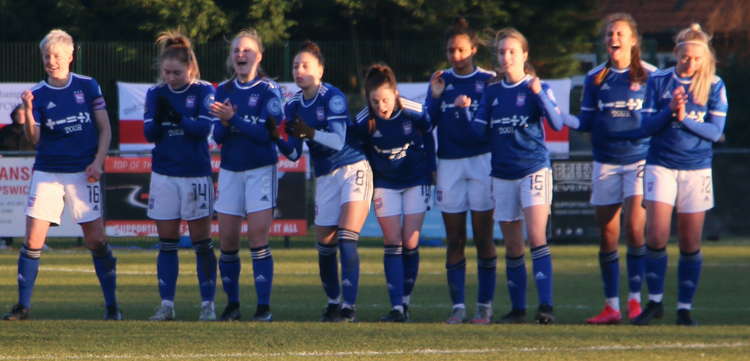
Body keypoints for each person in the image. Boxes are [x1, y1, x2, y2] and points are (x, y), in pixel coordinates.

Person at [609, 24, 727, 326]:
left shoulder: (714, 85)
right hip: (661, 164)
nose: (689, 63)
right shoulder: (660, 80)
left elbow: (715, 133)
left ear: (704, 60)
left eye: (695, 59)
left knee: (690, 242)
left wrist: (684, 116)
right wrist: (669, 110)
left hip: (696, 168)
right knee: (656, 235)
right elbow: (645, 127)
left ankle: (684, 308)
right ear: (675, 53)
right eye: (684, 56)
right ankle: (656, 302)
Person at [3, 29, 120, 321]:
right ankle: (23, 306)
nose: (51, 60)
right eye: (46, 56)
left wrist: (99, 161)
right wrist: (29, 110)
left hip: (83, 173)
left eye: (56, 55)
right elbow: (35, 140)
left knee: (96, 241)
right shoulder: (39, 94)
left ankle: (112, 306)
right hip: (47, 172)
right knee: (32, 241)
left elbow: (105, 128)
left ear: (70, 56)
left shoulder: (88, 86)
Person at [456, 28, 565, 324]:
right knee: (513, 245)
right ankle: (517, 310)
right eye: (502, 52)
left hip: (532, 168)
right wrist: (465, 112)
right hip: (502, 174)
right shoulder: (491, 92)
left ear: (524, 55)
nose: (506, 57)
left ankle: (546, 307)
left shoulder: (536, 87)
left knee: (537, 237)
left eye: (512, 52)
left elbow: (556, 123)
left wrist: (539, 94)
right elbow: (480, 133)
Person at [562, 13, 656, 324]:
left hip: (639, 160)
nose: (613, 38)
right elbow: (585, 122)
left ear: (632, 40)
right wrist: (557, 114)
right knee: (608, 233)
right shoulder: (595, 78)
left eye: (619, 33)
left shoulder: (651, 76)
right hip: (605, 162)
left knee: (634, 229)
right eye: (609, 34)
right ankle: (611, 305)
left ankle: (635, 301)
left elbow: (661, 119)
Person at [279, 41, 372, 322]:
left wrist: (310, 132)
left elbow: (338, 140)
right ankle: (333, 302)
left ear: (320, 70)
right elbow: (294, 154)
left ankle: (348, 307)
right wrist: (277, 138)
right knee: (324, 245)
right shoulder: (293, 104)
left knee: (346, 237)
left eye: (306, 65)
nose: (299, 70)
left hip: (351, 167)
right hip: (325, 176)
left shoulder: (332, 96)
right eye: (296, 66)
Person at [424, 17, 498, 324]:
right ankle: (458, 307)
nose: (456, 56)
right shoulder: (442, 80)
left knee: (483, 237)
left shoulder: (490, 80)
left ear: (473, 48)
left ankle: (484, 306)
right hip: (450, 164)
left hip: (482, 162)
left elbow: (490, 126)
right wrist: (435, 96)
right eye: (451, 51)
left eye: (461, 50)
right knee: (454, 239)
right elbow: (427, 123)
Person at [143, 30, 217, 321]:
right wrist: (161, 119)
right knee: (167, 241)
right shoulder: (156, 93)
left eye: (176, 72)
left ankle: (207, 304)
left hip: (195, 173)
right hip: (164, 174)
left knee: (201, 241)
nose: (170, 78)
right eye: (166, 72)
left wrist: (178, 117)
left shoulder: (203, 91)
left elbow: (202, 130)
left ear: (190, 69)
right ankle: (166, 304)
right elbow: (150, 133)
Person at [209, 28, 282, 322]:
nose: (241, 54)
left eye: (247, 50)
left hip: (260, 171)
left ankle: (263, 306)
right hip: (230, 171)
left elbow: (266, 135)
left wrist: (233, 118)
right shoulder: (223, 90)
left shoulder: (268, 90)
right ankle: (233, 304)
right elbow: (217, 135)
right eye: (237, 50)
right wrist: (226, 123)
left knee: (257, 237)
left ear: (259, 56)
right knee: (227, 240)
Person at [351, 64, 433, 322]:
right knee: (392, 242)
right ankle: (397, 307)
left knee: (410, 242)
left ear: (395, 94)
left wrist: (431, 169)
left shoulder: (411, 110)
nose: (381, 106)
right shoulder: (365, 119)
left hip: (415, 180)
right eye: (375, 101)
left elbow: (430, 126)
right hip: (385, 183)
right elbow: (353, 144)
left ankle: (406, 301)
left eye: (385, 99)